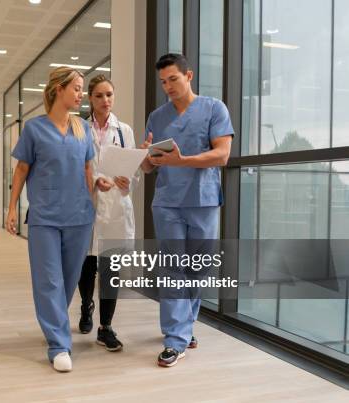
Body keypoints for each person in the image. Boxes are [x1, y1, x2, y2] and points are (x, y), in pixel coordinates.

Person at [139, 53, 233, 367]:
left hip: (203, 200)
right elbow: (149, 167)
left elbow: (221, 155)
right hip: (167, 202)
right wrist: (146, 157)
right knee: (172, 269)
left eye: (173, 79)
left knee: (199, 268)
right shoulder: (157, 116)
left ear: (188, 76)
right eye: (163, 81)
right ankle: (175, 339)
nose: (168, 86)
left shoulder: (214, 108)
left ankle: (185, 324)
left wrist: (183, 161)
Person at [5, 66, 96, 373]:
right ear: (59, 89)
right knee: (49, 281)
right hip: (45, 217)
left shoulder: (83, 128)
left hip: (80, 216)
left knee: (67, 282)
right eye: (77, 88)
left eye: (82, 89)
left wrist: (100, 189)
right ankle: (59, 344)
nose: (81, 94)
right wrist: (12, 208)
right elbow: (21, 170)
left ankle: (54, 325)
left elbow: (88, 173)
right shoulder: (34, 129)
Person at [77, 74, 138, 352]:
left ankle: (106, 327)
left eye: (110, 95)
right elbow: (74, 166)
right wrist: (92, 182)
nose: (106, 100)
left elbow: (132, 170)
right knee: (86, 267)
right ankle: (86, 306)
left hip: (114, 207)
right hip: (87, 205)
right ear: (90, 98)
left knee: (110, 270)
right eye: (100, 95)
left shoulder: (124, 130)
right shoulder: (78, 128)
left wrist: (127, 182)